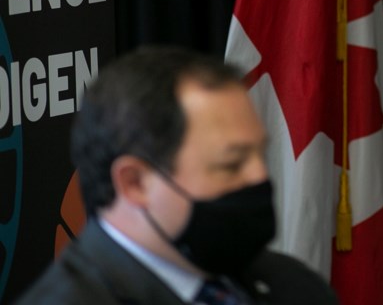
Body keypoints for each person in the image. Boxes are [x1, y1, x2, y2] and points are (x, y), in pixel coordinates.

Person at [16, 45, 338, 305]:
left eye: (260, 155)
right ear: (135, 182)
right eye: (231, 164)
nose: (259, 177)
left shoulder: (292, 285)